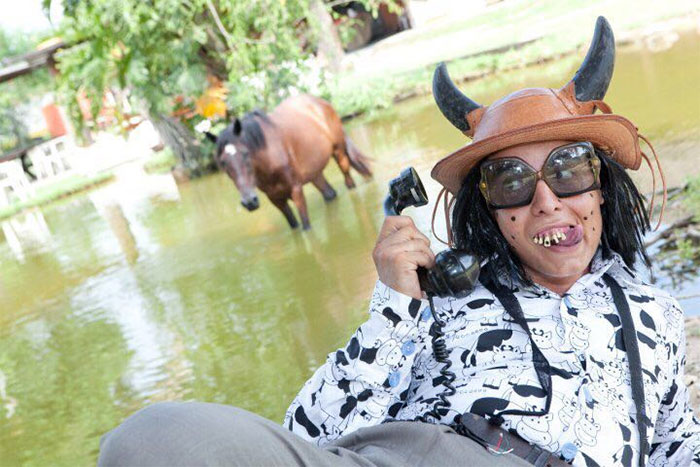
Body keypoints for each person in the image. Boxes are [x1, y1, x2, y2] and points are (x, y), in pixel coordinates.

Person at [98, 17, 700, 467]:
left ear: (601, 189)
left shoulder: (660, 318)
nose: (546, 200)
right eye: (510, 180)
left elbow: (680, 449)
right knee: (149, 440)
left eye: (569, 169)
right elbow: (305, 433)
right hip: (428, 453)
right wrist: (395, 308)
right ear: (490, 212)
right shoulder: (437, 303)